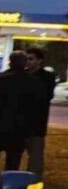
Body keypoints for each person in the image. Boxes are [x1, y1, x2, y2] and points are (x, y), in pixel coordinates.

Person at [0, 51, 42, 175]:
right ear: (24, 63)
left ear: (10, 62)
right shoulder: (33, 81)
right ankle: (10, 182)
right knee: (14, 158)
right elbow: (35, 106)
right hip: (19, 126)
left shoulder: (2, 78)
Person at [24, 47, 57, 180]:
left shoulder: (47, 77)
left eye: (31, 59)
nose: (28, 62)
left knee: (35, 152)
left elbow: (46, 96)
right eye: (26, 59)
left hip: (36, 121)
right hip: (19, 120)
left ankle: (34, 178)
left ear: (40, 61)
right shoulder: (22, 74)